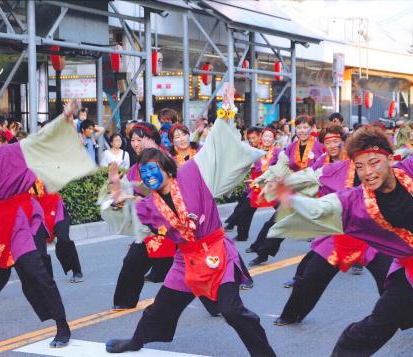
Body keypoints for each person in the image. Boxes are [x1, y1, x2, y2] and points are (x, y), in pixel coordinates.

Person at [102, 87, 275, 355]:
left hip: (216, 254)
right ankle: (136, 341)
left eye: (153, 170)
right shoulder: (150, 203)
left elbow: (217, 145)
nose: (148, 176)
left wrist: (226, 112)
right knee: (160, 307)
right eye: (144, 172)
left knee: (232, 311)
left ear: (167, 169)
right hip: (186, 261)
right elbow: (129, 211)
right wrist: (118, 197)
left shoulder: (192, 172)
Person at [265, 125, 413, 355]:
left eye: (374, 162)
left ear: (389, 158)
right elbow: (320, 208)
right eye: (360, 166)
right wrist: (290, 196)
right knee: (372, 328)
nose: (368, 172)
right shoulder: (355, 200)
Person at [0, 101, 96, 347]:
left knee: (34, 271)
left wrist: (65, 117)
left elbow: (39, 139)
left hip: (15, 221)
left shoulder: (9, 153)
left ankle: (62, 325)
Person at [100, 122, 175, 310]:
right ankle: (124, 301)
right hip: (151, 225)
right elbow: (121, 194)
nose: (135, 143)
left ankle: (220, 301)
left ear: (152, 139)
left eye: (140, 139)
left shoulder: (167, 159)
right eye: (132, 140)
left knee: (192, 267)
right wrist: (116, 190)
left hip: (175, 224)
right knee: (133, 260)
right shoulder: (136, 167)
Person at [248, 115, 324, 267]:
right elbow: (279, 167)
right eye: (299, 127)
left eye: (305, 127)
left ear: (312, 128)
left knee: (326, 234)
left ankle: (354, 258)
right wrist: (260, 179)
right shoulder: (291, 147)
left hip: (312, 195)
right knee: (275, 222)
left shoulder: (319, 147)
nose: (302, 131)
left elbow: (322, 170)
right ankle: (262, 253)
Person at [29, 180, 84, 283]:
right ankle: (47, 279)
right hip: (37, 214)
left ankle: (77, 271)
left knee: (64, 241)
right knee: (40, 250)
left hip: (56, 209)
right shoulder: (21, 176)